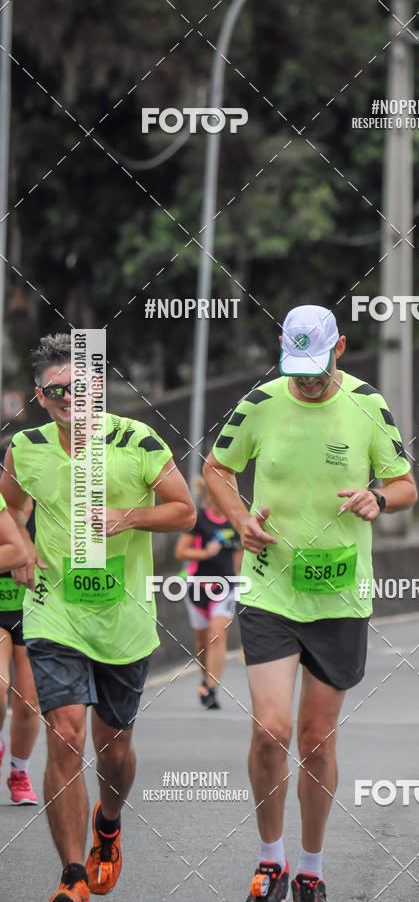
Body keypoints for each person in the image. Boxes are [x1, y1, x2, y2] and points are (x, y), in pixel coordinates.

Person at [204, 305, 417, 902]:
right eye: (296, 370)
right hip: (270, 587)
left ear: (340, 348)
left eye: (317, 369)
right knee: (271, 733)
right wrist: (240, 519)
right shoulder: (260, 402)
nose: (306, 382)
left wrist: (379, 499)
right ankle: (270, 859)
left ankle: (311, 866)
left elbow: (406, 485)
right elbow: (216, 469)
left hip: (339, 595)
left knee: (316, 740)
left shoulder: (367, 404)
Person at [0, 333, 195, 902]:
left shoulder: (137, 441)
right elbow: (8, 506)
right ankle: (72, 876)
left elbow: (184, 511)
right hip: (54, 612)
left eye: (78, 387)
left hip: (123, 618)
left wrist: (127, 516)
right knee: (65, 735)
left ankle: (108, 825)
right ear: (39, 397)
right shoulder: (26, 448)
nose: (67, 398)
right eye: (54, 390)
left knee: (113, 748)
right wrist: (20, 549)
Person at [174, 474, 242, 710]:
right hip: (197, 588)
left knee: (217, 635)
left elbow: (239, 553)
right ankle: (205, 679)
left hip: (225, 588)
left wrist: (239, 576)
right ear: (209, 496)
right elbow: (180, 552)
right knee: (202, 642)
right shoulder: (199, 520)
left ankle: (212, 689)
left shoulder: (235, 522)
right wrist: (205, 553)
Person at [0, 435, 40, 804]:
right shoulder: (2, 506)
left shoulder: (51, 504)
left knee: (28, 703)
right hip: (0, 607)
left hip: (35, 608)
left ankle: (19, 771)